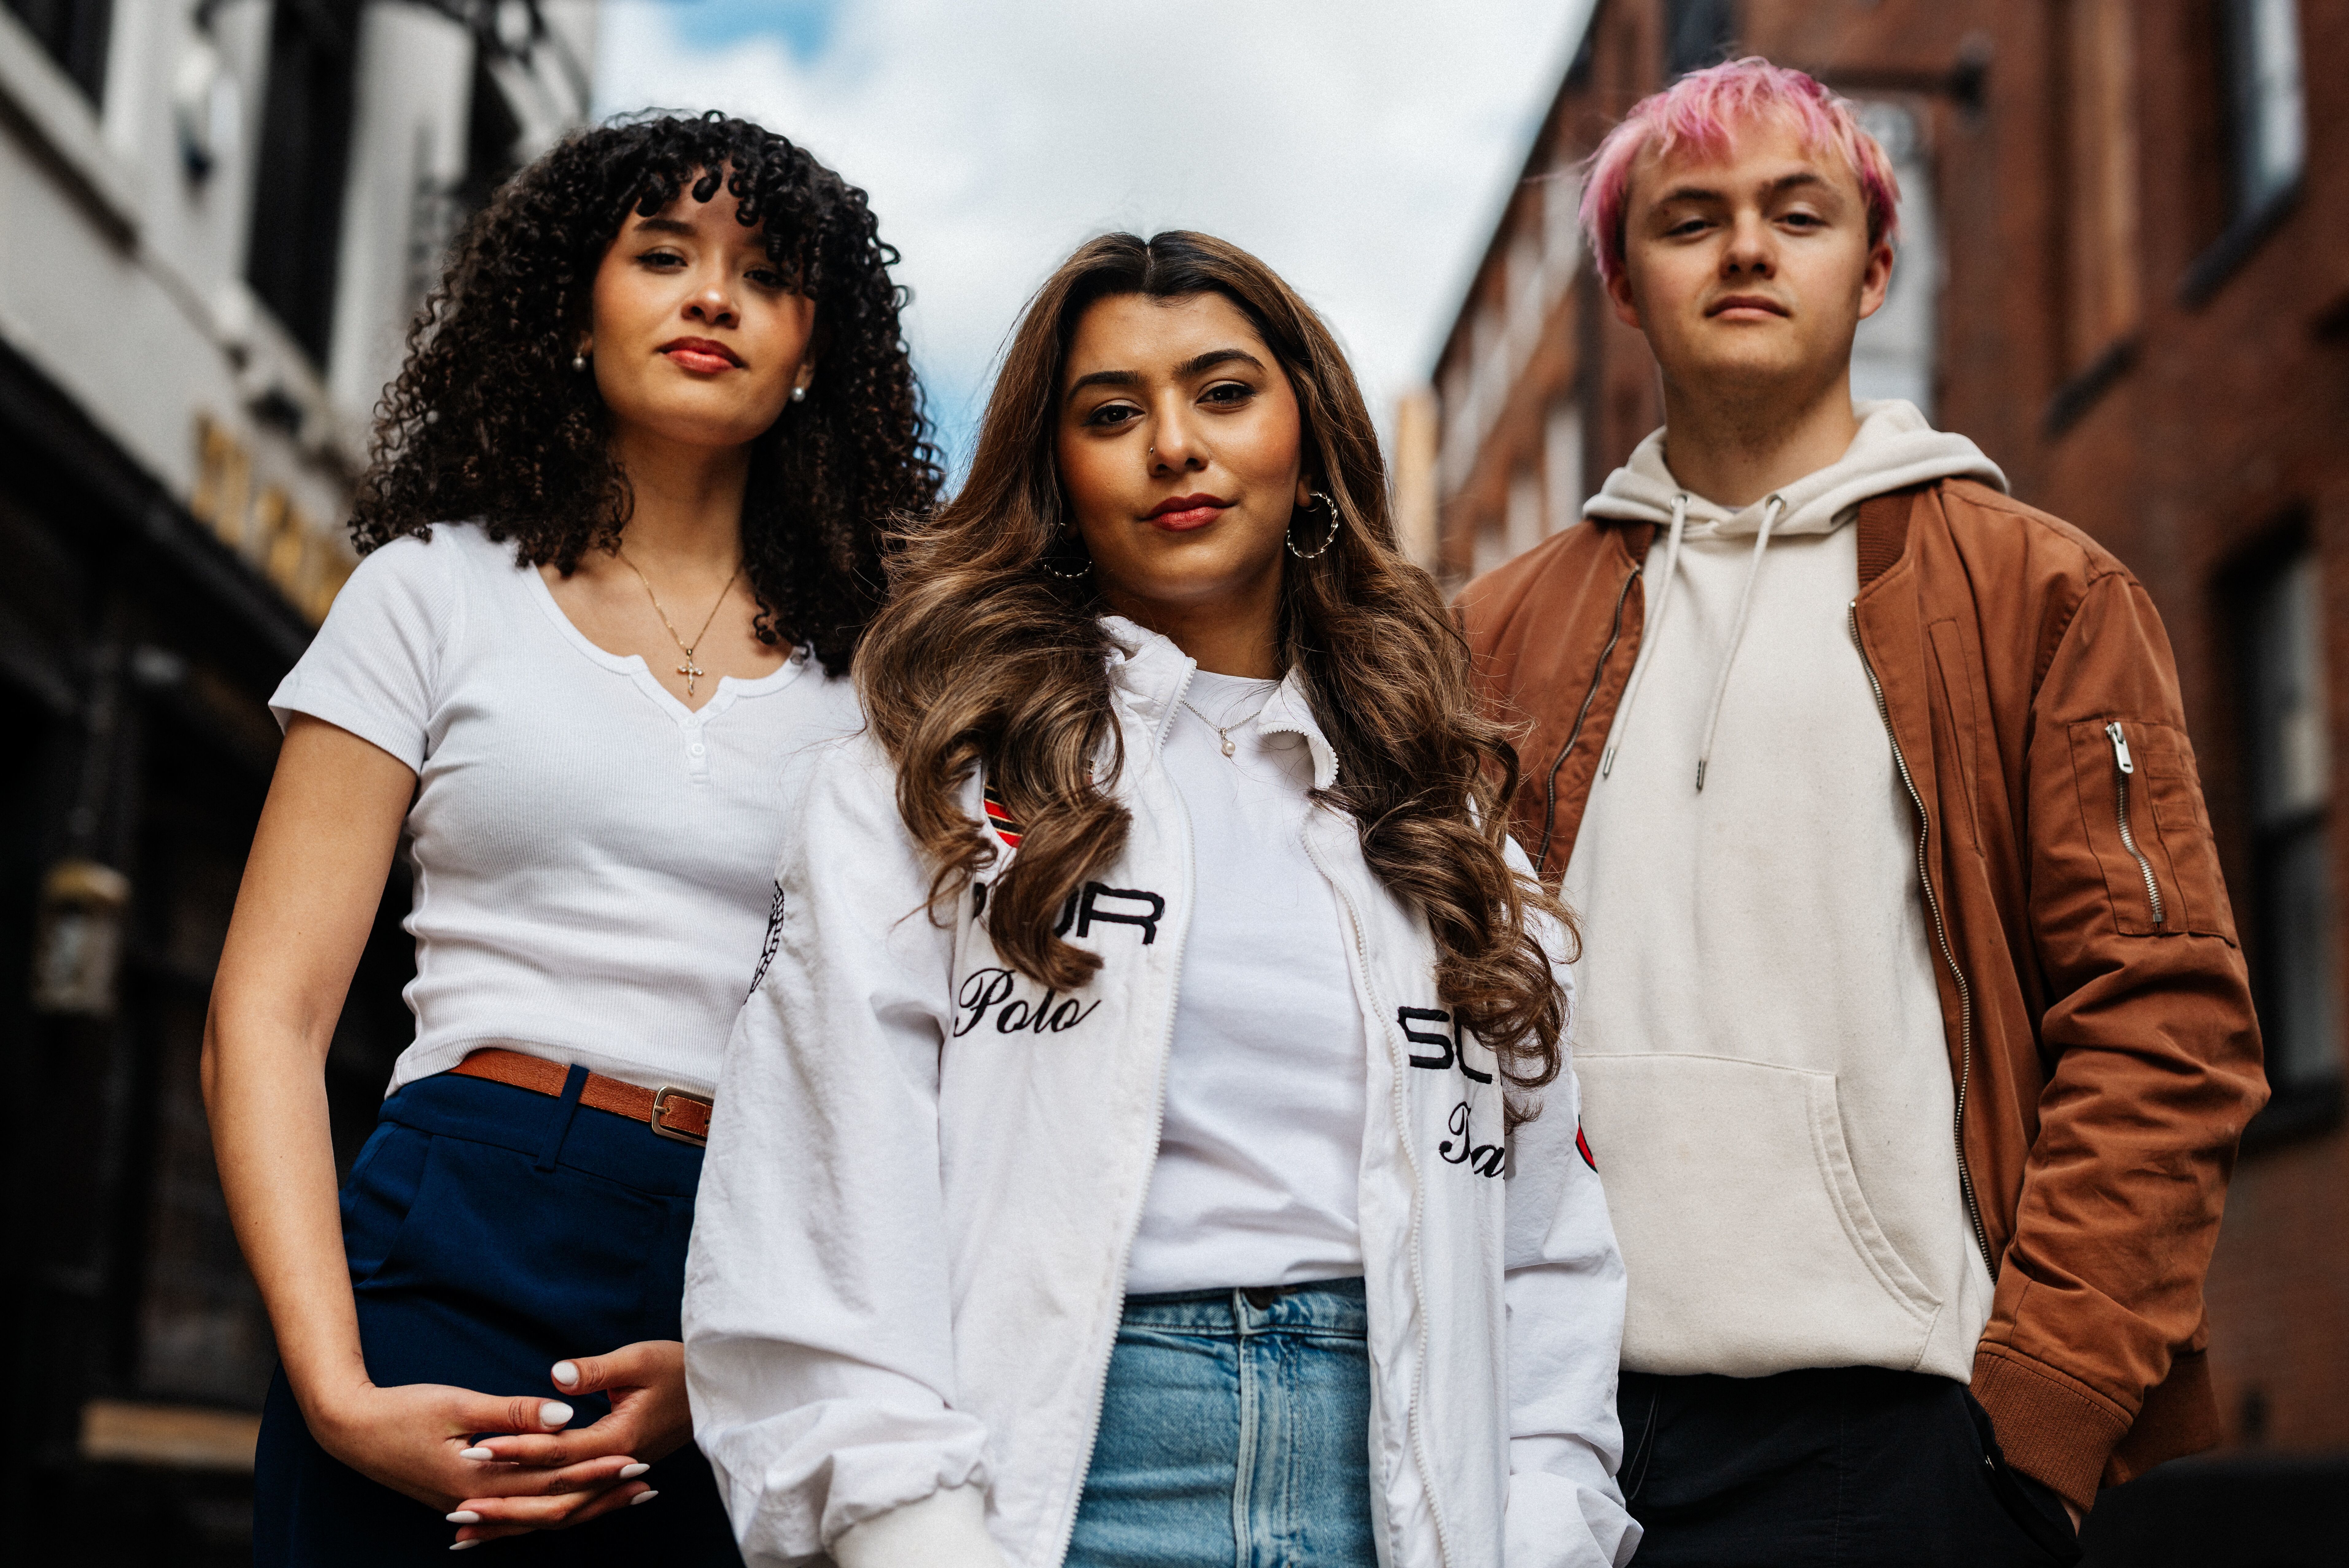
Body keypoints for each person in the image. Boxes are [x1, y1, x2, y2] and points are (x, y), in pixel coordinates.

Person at [680, 231, 1637, 1568]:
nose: (1174, 445)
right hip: (1063, 1491)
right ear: (1056, 476)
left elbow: (1547, 1255)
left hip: (1410, 1488)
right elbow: (812, 1198)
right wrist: (917, 1538)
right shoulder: (930, 783)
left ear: (1309, 440)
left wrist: (1545, 1535)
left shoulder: (1443, 823)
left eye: (1225, 393)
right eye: (1113, 414)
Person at [1459, 58, 2269, 1567]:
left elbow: (2167, 1019)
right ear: (1625, 286)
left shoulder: (2040, 593)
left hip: (1906, 1451)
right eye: (1689, 218)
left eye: (1797, 212)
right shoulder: (1492, 637)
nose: (1747, 249)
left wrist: (2040, 1422)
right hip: (1542, 1436)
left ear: (1875, 261)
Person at [203, 113, 940, 1562]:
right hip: (450, 1224)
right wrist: (339, 1391)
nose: (711, 296)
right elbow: (268, 1017)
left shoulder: (892, 674)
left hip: (748, 1263)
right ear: (572, 310)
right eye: (662, 255)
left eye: (766, 274)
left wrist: (743, 1352)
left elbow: (920, 1051)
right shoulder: (429, 595)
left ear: (815, 352)